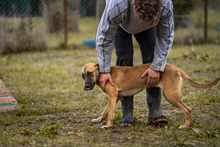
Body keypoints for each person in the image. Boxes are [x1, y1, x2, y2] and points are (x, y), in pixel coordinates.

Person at [96, 0, 174, 126]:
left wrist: (157, 66)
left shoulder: (166, 4)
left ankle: (155, 110)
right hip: (121, 23)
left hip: (150, 24)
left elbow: (166, 36)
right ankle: (127, 113)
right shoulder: (117, 5)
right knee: (124, 58)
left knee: (151, 56)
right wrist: (104, 70)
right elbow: (104, 37)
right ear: (133, 4)